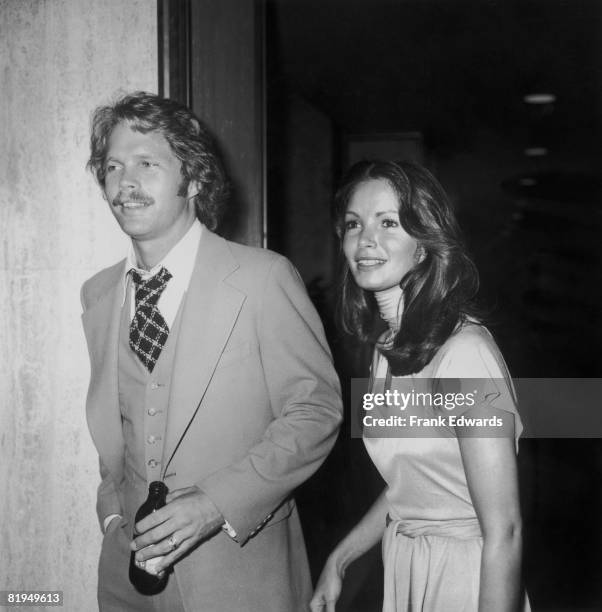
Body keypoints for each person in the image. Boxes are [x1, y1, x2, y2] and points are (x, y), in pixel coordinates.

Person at [81, 91, 343, 612]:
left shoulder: (263, 278)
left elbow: (316, 412)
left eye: (147, 164)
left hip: (240, 577)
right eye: (112, 167)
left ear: (194, 178)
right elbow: (119, 426)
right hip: (127, 581)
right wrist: (113, 512)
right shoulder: (99, 293)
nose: (124, 184)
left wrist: (216, 504)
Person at [310, 160, 529, 611]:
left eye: (389, 222)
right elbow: (409, 489)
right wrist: (341, 558)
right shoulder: (385, 347)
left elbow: (503, 529)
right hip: (408, 561)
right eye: (354, 223)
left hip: (470, 574)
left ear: (425, 245)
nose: (365, 238)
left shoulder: (465, 354)